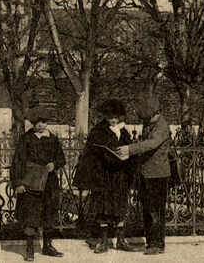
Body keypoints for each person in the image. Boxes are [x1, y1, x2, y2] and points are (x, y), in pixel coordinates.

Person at [73, 99, 135, 253]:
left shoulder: (124, 131)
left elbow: (130, 150)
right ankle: (104, 240)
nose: (113, 120)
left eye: (116, 117)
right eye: (110, 117)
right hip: (104, 175)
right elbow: (90, 154)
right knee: (103, 207)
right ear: (105, 116)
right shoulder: (98, 131)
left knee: (120, 206)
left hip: (120, 175)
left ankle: (121, 240)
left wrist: (127, 155)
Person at [11, 108, 66, 261]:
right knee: (31, 214)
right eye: (37, 123)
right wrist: (18, 183)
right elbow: (18, 162)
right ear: (33, 123)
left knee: (49, 213)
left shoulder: (53, 139)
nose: (41, 126)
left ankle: (48, 246)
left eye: (44, 122)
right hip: (31, 182)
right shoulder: (26, 139)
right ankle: (29, 249)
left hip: (49, 182)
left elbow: (61, 158)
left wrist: (54, 165)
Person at [118, 95, 171, 255]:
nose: (145, 120)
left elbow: (151, 144)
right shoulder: (150, 124)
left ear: (154, 113)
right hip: (147, 173)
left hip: (158, 175)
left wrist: (130, 149)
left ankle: (157, 244)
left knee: (156, 211)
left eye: (147, 117)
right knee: (148, 210)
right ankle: (151, 242)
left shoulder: (161, 126)